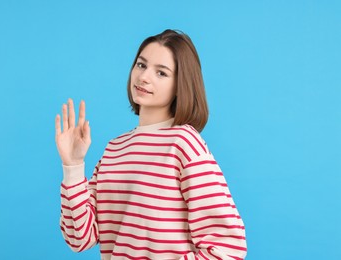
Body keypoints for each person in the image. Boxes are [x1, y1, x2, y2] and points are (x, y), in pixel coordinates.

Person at [55, 29, 247, 260]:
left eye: (161, 73)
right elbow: (80, 238)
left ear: (180, 85)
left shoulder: (184, 143)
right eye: (141, 65)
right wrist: (74, 167)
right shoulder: (115, 148)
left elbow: (228, 248)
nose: (144, 77)